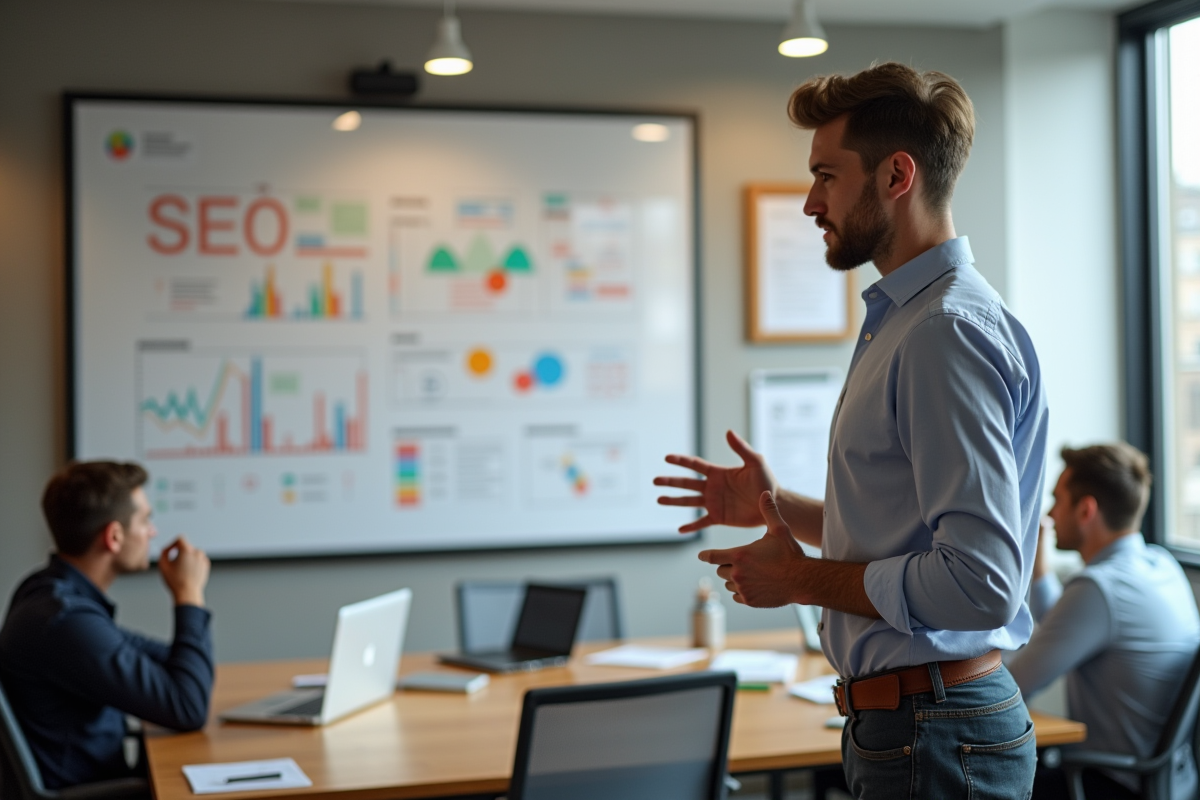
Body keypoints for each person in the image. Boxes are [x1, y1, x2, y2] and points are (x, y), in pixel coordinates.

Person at [655, 62, 1048, 799]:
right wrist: (784, 510)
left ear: (897, 175)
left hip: (935, 730)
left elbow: (981, 583)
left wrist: (798, 576)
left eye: (826, 176)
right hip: (916, 727)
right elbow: (913, 529)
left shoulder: (943, 333)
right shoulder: (908, 321)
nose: (810, 202)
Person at [0, 461, 213, 790]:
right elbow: (188, 706)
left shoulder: (51, 593)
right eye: (145, 521)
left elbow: (170, 663)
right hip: (96, 792)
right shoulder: (65, 621)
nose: (151, 532)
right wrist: (189, 594)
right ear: (114, 536)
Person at [1010, 444, 1200, 800]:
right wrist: (1039, 560)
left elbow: (1015, 686)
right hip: (1173, 782)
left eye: (1056, 499)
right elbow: (1065, 626)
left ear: (1086, 509)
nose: (1049, 513)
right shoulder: (1161, 565)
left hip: (1111, 786)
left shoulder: (1099, 589)